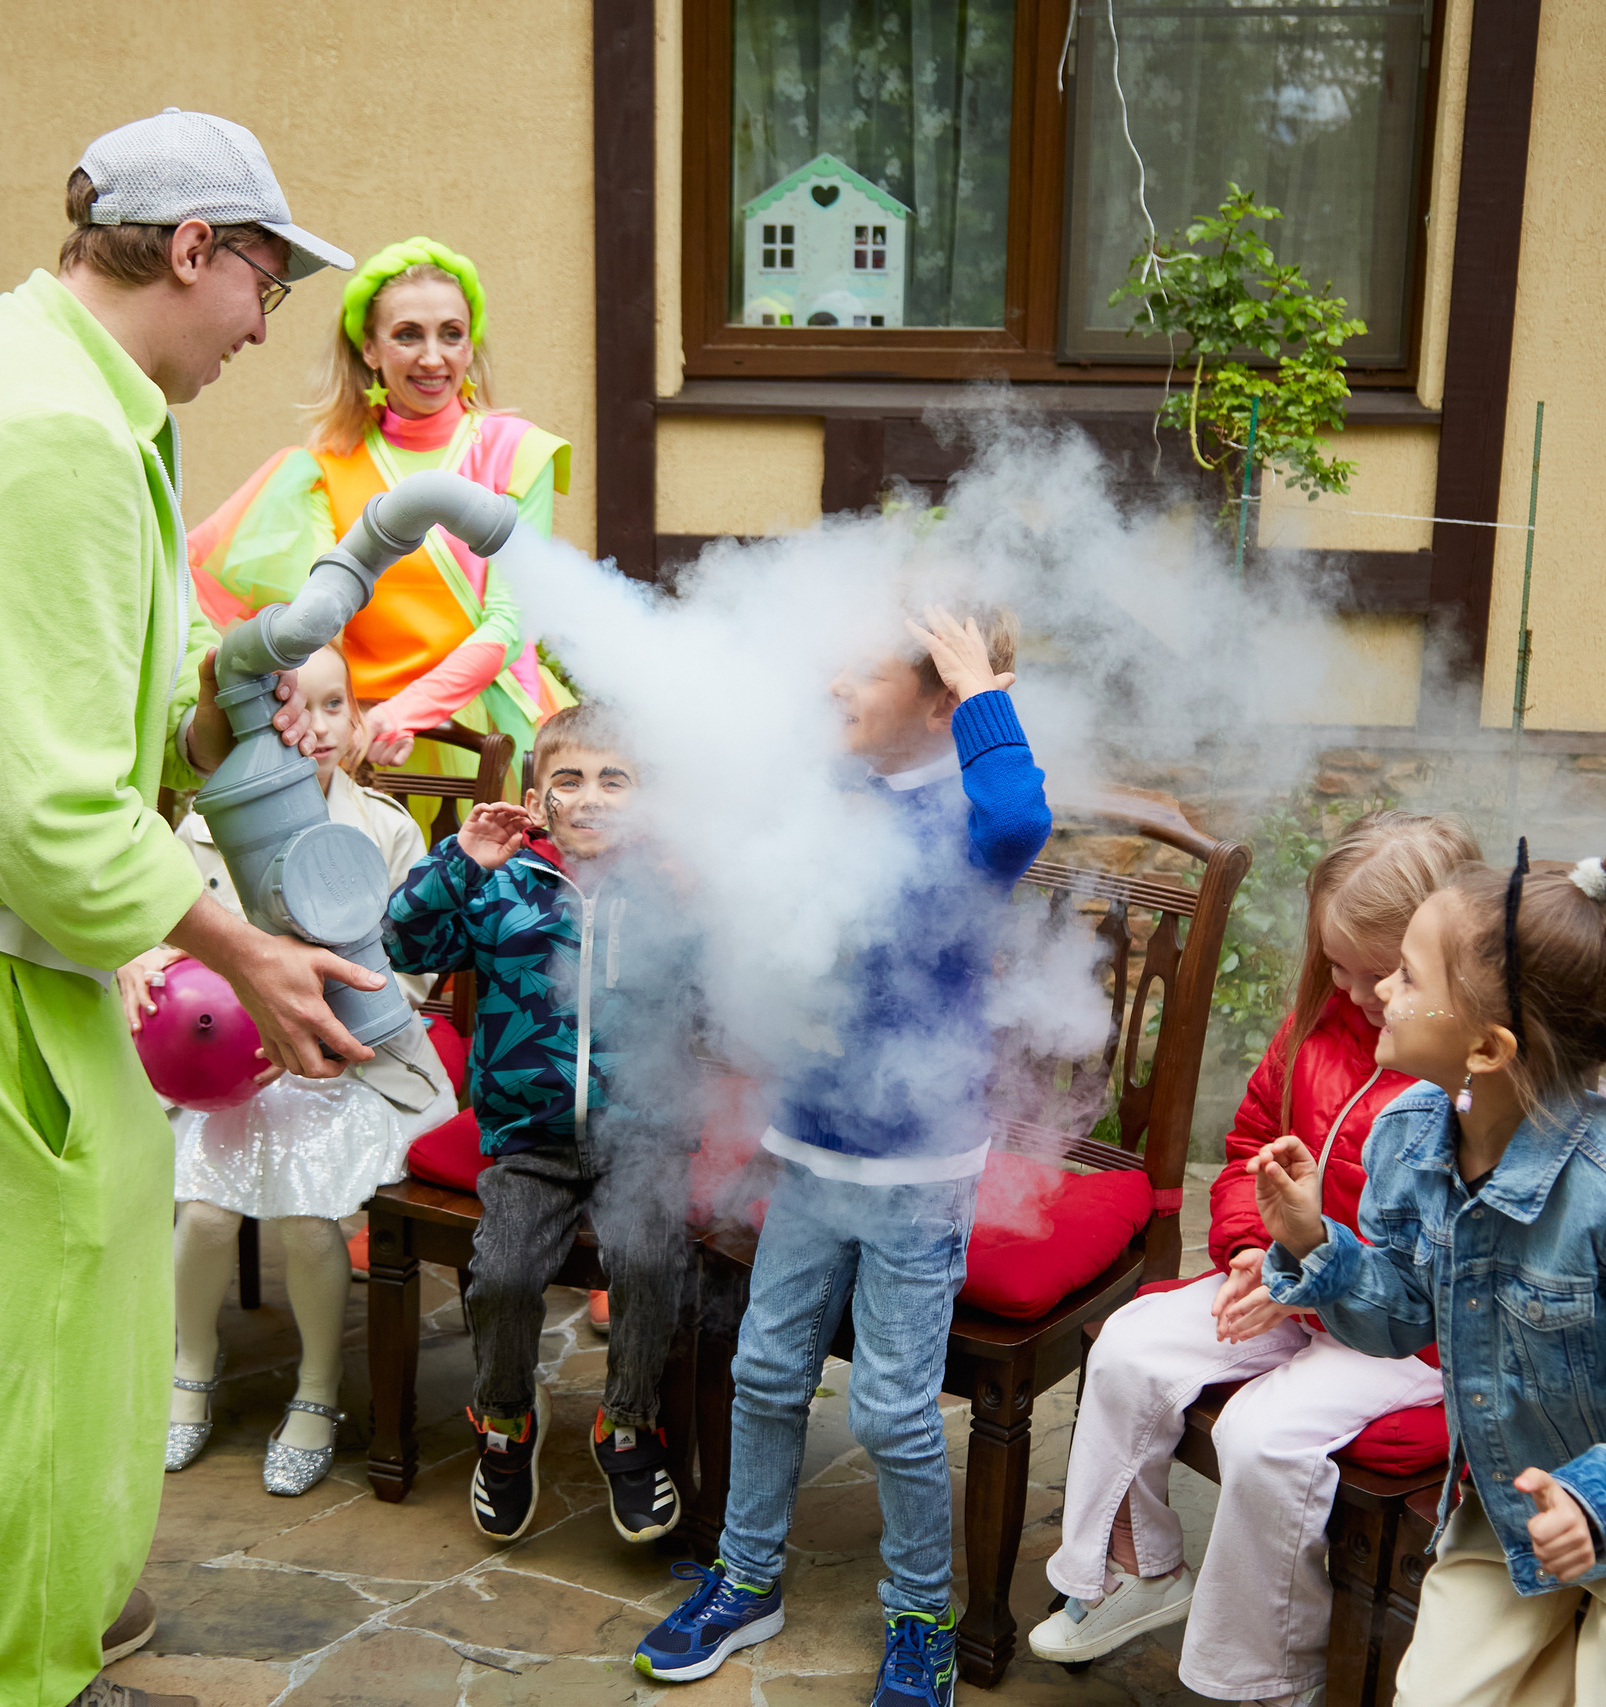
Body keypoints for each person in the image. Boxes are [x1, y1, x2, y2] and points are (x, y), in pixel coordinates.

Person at [0, 109, 377, 1707]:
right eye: (264, 277)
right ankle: (12, 1679)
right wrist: (245, 949)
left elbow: (41, 719)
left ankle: (27, 1623)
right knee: (57, 1334)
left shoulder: (8, 361)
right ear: (191, 245)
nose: (270, 323)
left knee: (22, 1320)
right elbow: (38, 807)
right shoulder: (51, 429)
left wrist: (201, 725)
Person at [633, 607, 1052, 1707]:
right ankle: (747, 1577)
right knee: (765, 1371)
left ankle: (918, 1614)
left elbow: (1020, 819)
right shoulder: (828, 794)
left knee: (891, 1412)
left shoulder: (967, 812)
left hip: (918, 1177)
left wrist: (982, 693)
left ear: (934, 701)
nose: (827, 687)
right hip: (807, 1148)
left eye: (855, 671)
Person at [1252, 847, 1606, 1706]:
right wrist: (1315, 1244)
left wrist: (1598, 1500)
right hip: (1511, 1496)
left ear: (1487, 1048)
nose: (1381, 990)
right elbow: (1402, 1318)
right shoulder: (1406, 1137)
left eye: (1407, 978)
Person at [1027, 810, 1480, 1696]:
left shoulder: (1459, 1081)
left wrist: (1301, 1275)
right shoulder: (1319, 1024)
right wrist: (1250, 1246)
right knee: (1129, 1344)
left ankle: (1273, 1671)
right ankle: (1134, 1569)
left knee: (1262, 1435)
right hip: (1291, 1277)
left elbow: (1439, 1266)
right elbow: (1247, 1150)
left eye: (1377, 974)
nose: (1349, 992)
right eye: (1333, 965)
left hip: (1406, 1340)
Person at [380, 702, 703, 1548]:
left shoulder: (672, 889)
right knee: (506, 1273)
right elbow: (403, 943)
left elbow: (732, 993)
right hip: (529, 1136)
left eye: (614, 780)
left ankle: (627, 1425)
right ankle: (507, 1421)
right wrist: (461, 858)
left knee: (646, 1258)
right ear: (538, 797)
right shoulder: (500, 884)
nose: (591, 797)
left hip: (644, 1134)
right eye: (570, 780)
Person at [138, 638, 456, 1494]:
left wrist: (316, 1021)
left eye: (334, 705)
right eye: (293, 705)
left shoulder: (385, 829)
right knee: (204, 1214)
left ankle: (317, 1391)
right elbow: (157, 925)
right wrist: (143, 961)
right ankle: (189, 1369)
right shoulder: (206, 821)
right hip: (225, 1065)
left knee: (311, 1218)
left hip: (347, 1064)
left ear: (357, 722)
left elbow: (411, 965)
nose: (313, 726)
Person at [186, 235, 573, 801]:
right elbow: (316, 629)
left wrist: (405, 713)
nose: (433, 357)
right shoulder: (321, 468)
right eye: (408, 335)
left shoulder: (520, 452)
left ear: (470, 347)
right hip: (355, 741)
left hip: (489, 735)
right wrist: (351, 722)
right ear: (369, 348)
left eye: (452, 334)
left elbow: (509, 626)